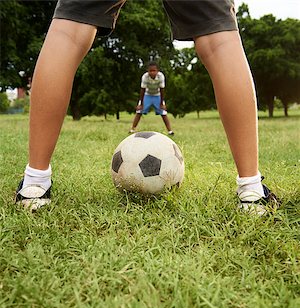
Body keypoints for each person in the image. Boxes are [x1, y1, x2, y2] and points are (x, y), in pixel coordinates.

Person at [15, 0, 277, 214]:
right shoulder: (146, 77)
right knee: (219, 40)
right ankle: (251, 190)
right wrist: (143, 100)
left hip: (155, 97)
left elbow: (160, 89)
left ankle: (35, 184)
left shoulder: (159, 77)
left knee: (69, 32)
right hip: (148, 97)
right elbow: (144, 88)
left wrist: (159, 100)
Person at [129, 61, 174, 135]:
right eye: (150, 71)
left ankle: (170, 131)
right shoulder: (145, 77)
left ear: (157, 71)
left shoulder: (161, 76)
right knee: (139, 111)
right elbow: (142, 90)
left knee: (163, 113)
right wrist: (141, 103)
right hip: (147, 95)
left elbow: (162, 89)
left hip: (158, 95)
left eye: (154, 71)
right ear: (148, 71)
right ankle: (132, 129)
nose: (152, 72)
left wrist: (161, 103)